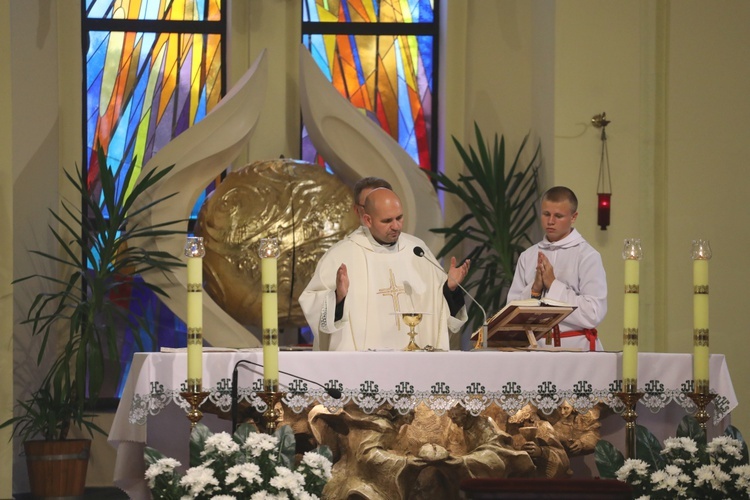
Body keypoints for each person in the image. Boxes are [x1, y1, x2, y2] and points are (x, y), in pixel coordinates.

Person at [299, 188, 469, 351]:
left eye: (399, 218)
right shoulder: (342, 255)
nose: (396, 226)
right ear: (368, 220)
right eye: (387, 221)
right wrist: (337, 298)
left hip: (415, 362)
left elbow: (439, 310)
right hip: (363, 368)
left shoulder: (417, 251)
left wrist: (450, 289)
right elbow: (312, 303)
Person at [506, 186, 607, 351]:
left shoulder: (587, 256)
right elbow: (511, 314)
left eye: (558, 216)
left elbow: (593, 313)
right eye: (546, 214)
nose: (550, 221)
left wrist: (553, 285)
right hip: (534, 349)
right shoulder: (528, 256)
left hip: (577, 349)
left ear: (573, 217)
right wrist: (535, 290)